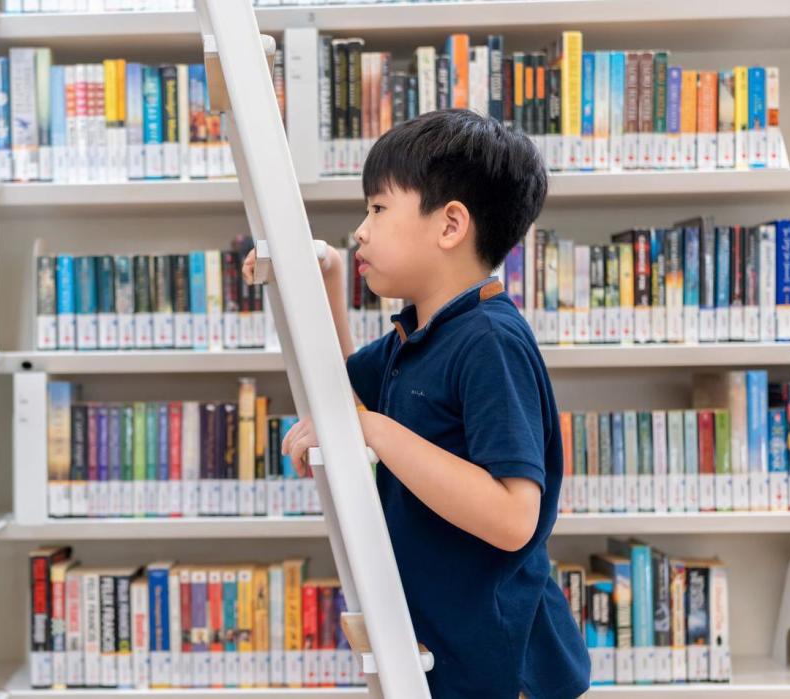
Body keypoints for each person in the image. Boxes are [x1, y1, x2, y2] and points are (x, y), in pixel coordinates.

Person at [246, 109, 590, 698]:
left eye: (378, 209)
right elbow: (345, 389)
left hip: (506, 669)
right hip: (450, 655)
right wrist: (324, 276)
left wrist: (374, 431)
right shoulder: (422, 333)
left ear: (451, 224)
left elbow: (513, 519)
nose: (362, 229)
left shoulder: (489, 341)